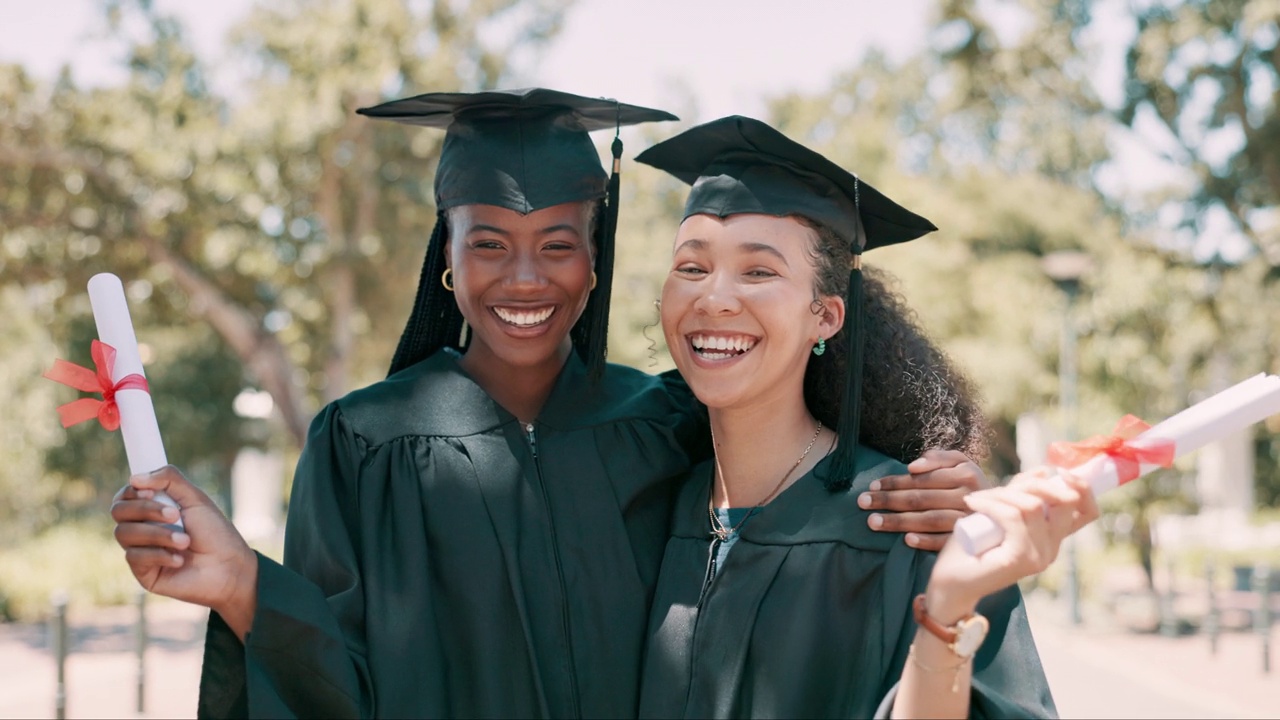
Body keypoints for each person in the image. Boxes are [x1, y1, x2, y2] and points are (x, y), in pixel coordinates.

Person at [109, 91, 990, 719]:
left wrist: (935, 470)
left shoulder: (671, 423)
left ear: (596, 259)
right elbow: (336, 684)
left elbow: (793, 456)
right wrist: (243, 586)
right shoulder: (363, 442)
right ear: (444, 255)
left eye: (557, 244)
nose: (523, 276)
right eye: (487, 242)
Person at [634, 115, 1097, 719]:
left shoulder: (906, 524)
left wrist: (951, 603)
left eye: (759, 271)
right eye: (691, 267)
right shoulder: (645, 500)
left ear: (825, 316)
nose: (714, 296)